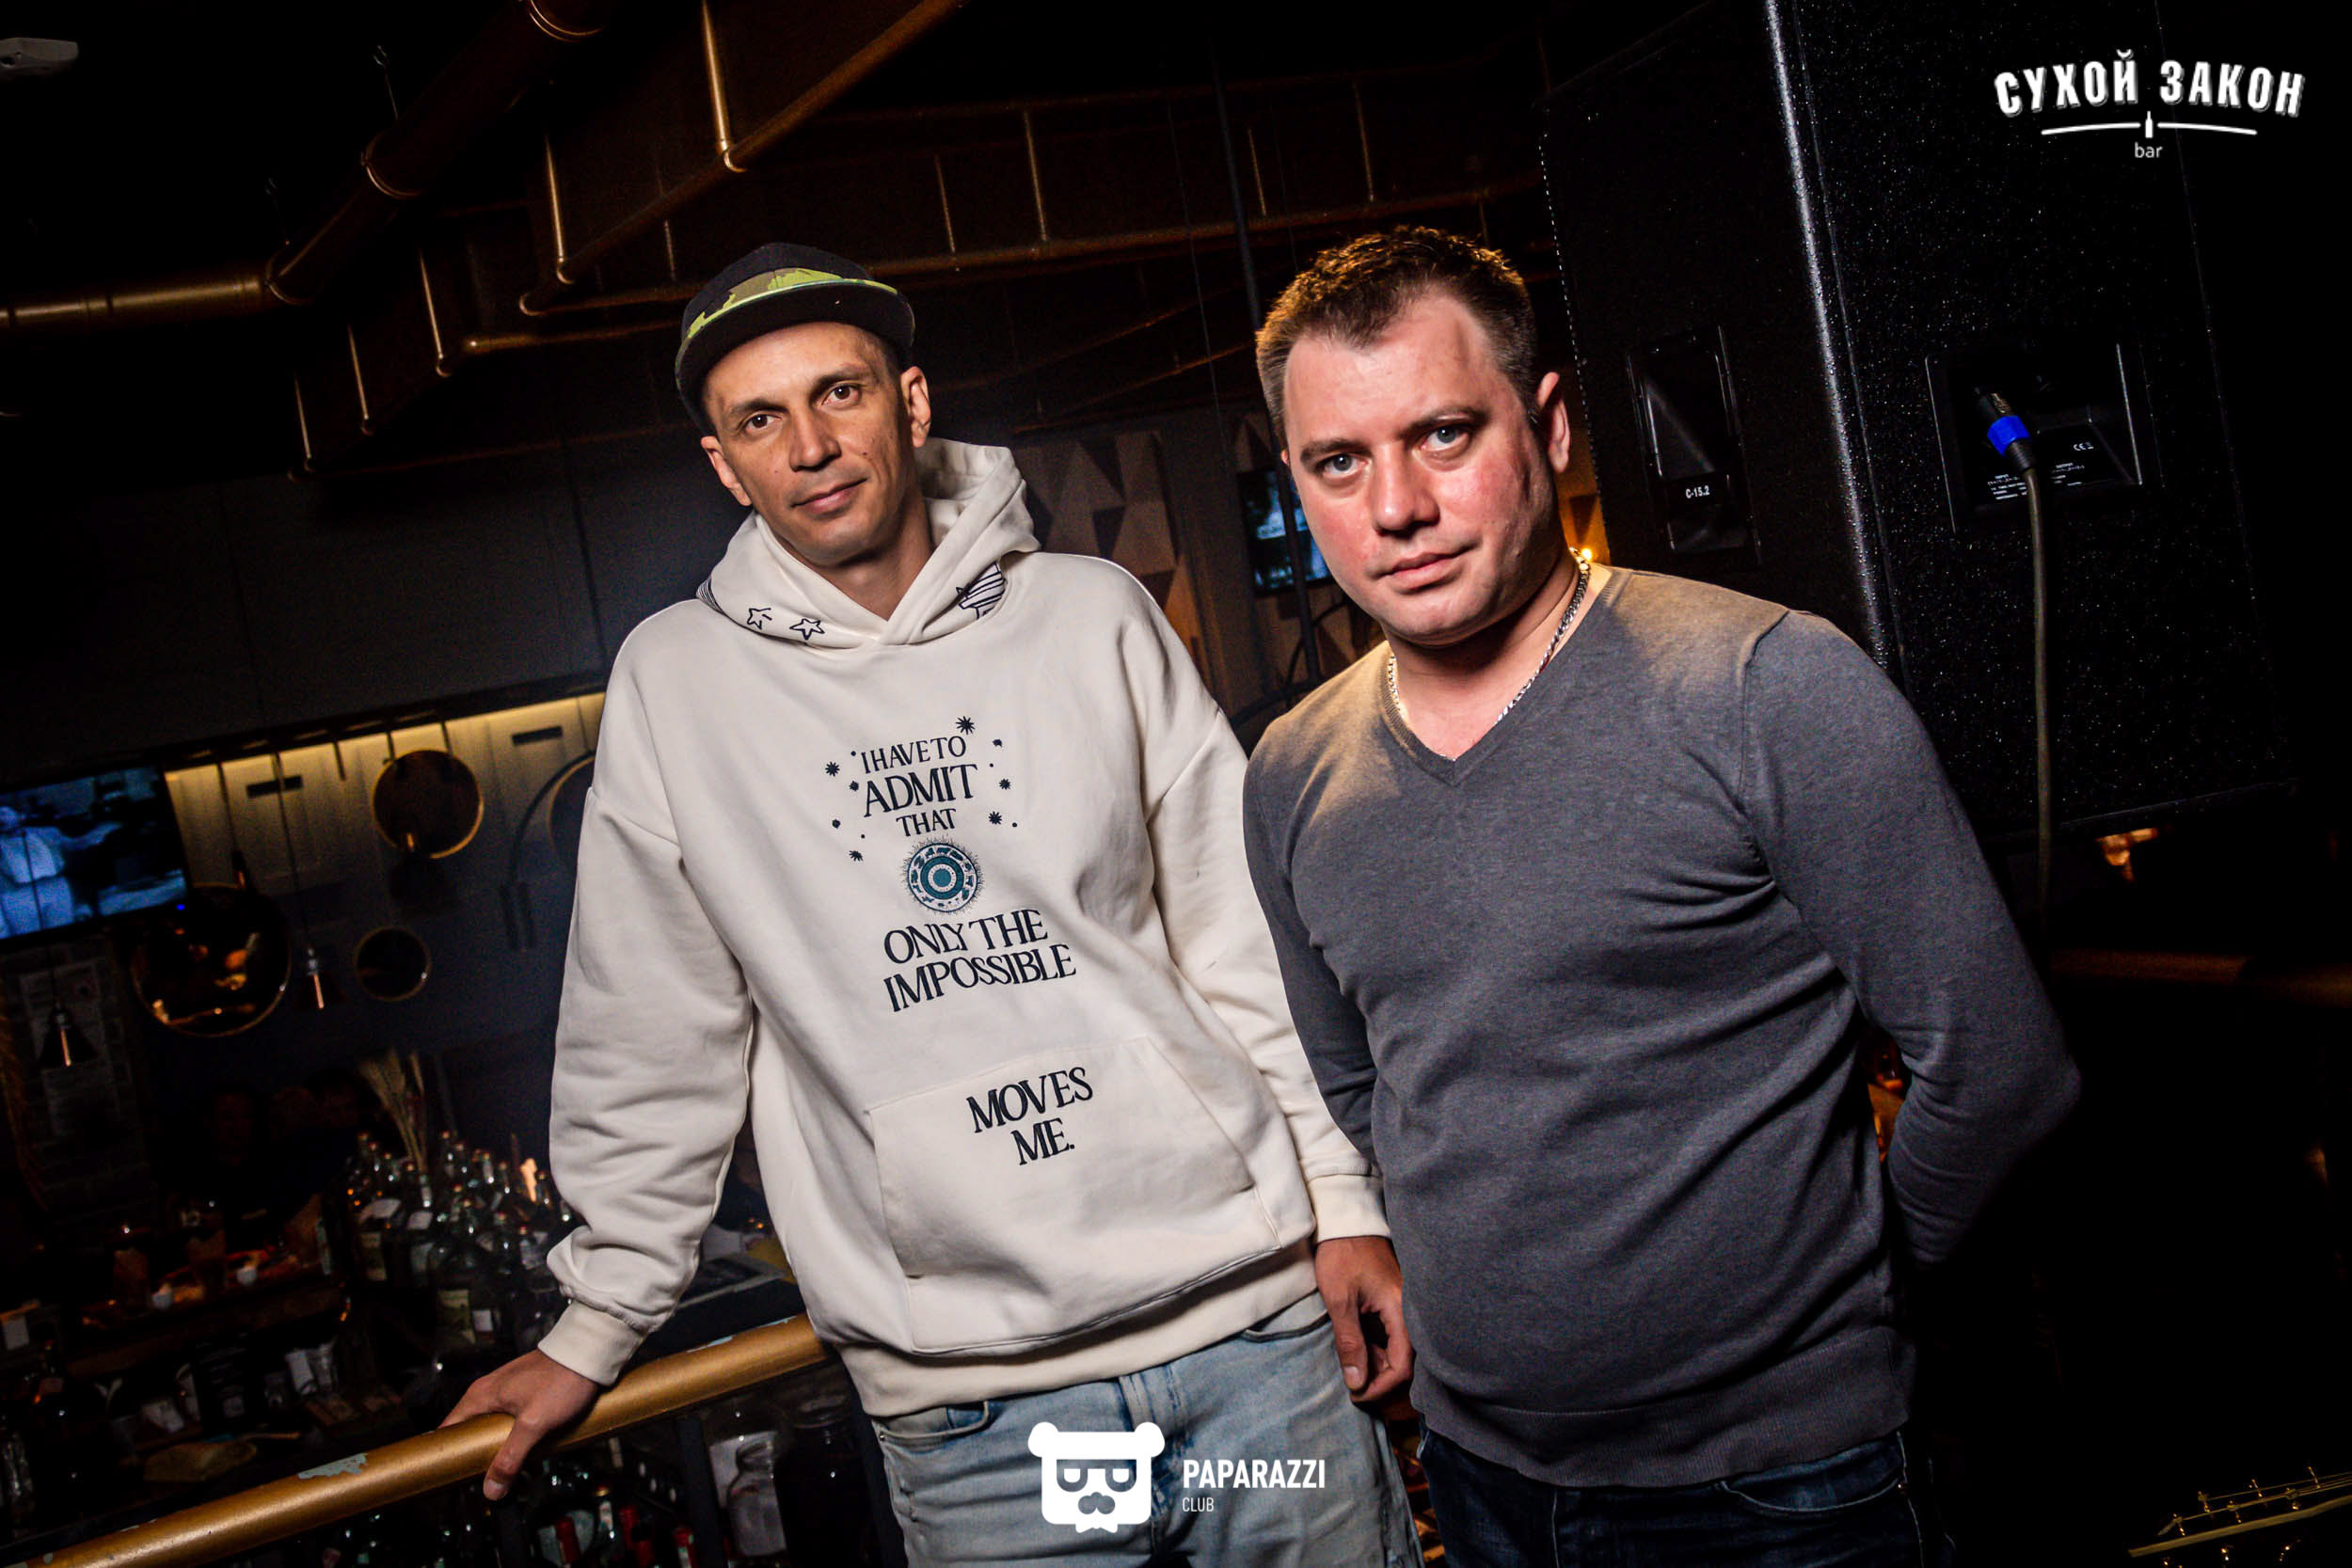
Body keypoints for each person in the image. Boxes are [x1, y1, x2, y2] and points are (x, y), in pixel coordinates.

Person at [445, 243, 1417, 1566]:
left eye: (838, 393)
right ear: (724, 467)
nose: (810, 446)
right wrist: (598, 1322)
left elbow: (1240, 938)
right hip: (978, 1426)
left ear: (910, 404)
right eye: (759, 421)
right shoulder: (677, 686)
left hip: (1256, 1344)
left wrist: (1344, 1197)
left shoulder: (1091, 614)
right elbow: (653, 1025)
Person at [1239, 227, 2081, 1567]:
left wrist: (1860, 1288)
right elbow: (1370, 1094)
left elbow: (2001, 1068)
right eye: (1339, 461)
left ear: (1550, 425)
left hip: (1786, 1486)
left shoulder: (1766, 686)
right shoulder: (1290, 773)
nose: (1395, 507)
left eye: (1445, 435)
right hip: (1486, 1479)